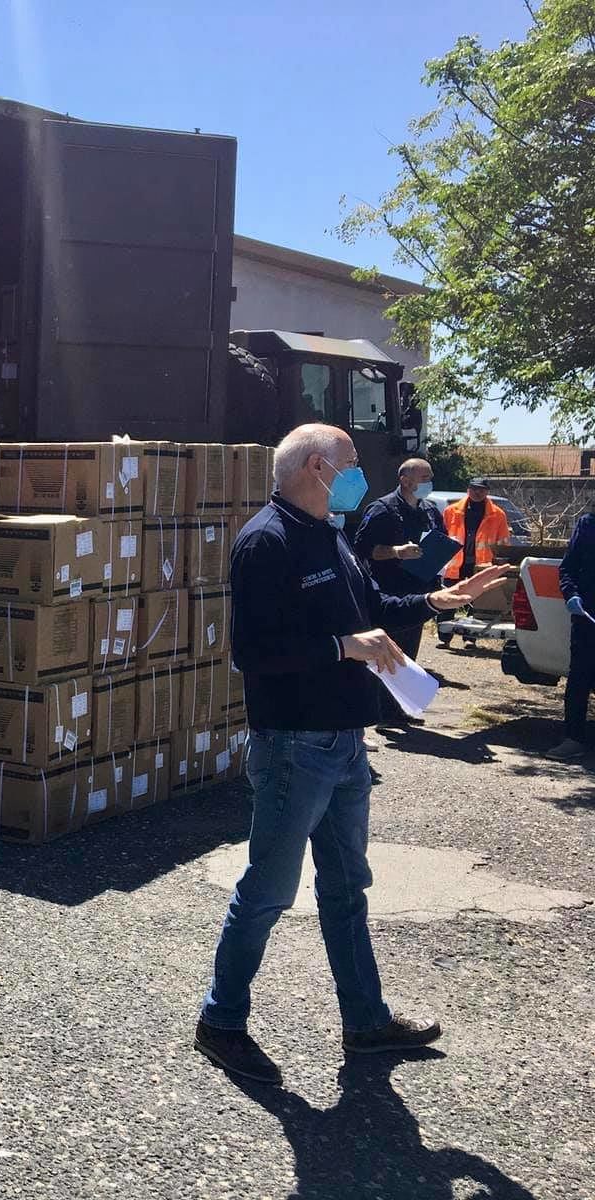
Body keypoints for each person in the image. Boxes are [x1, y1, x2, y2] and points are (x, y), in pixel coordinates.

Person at [194, 423, 511, 1085]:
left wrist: (437, 599)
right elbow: (253, 653)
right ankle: (221, 1022)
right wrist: (342, 647)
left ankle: (365, 1022)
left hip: (345, 744)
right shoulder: (266, 541)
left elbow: (373, 607)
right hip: (293, 746)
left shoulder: (332, 534)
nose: (361, 475)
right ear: (317, 467)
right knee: (268, 890)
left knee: (346, 889)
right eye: (353, 463)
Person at [352, 457, 446, 724]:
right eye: (424, 477)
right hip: (389, 594)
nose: (429, 482)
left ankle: (396, 709)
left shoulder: (430, 511)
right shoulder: (382, 509)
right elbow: (362, 549)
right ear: (405, 480)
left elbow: (441, 541)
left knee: (408, 655)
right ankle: (378, 712)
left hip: (417, 593)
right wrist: (396, 552)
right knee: (384, 654)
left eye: (430, 477)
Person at [550, 511, 595, 760]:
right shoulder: (588, 524)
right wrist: (571, 595)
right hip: (587, 617)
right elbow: (568, 568)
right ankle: (573, 738)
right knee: (580, 678)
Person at [442, 477, 511, 583]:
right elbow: (442, 538)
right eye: (474, 488)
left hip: (483, 568)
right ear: (468, 490)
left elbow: (503, 545)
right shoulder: (451, 511)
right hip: (454, 569)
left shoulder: (498, 514)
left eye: (481, 489)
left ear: (487, 492)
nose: (477, 492)